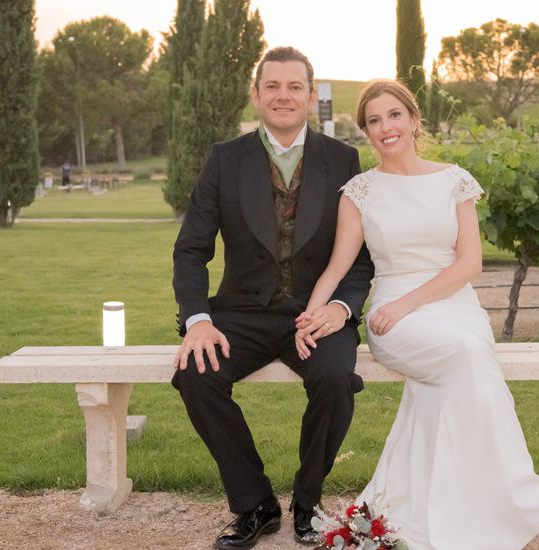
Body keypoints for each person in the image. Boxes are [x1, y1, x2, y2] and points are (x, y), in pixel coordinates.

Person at [296, 80, 539, 549]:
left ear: (413, 119)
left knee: (465, 358)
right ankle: (533, 504)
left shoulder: (454, 180)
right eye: (373, 120)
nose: (385, 127)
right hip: (393, 318)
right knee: (470, 357)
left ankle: (453, 501)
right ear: (366, 131)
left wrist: (410, 302)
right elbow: (337, 268)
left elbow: (470, 263)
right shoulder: (360, 191)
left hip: (450, 304)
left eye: (393, 115)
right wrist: (311, 315)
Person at [171, 47, 374, 550]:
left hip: (317, 312)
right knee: (196, 375)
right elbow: (191, 250)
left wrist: (340, 308)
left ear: (310, 95)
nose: (283, 95)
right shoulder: (225, 159)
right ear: (257, 94)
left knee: (334, 380)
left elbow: (362, 258)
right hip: (240, 313)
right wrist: (198, 319)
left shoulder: (342, 159)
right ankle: (254, 504)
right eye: (273, 86)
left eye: (294, 87)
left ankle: (308, 503)